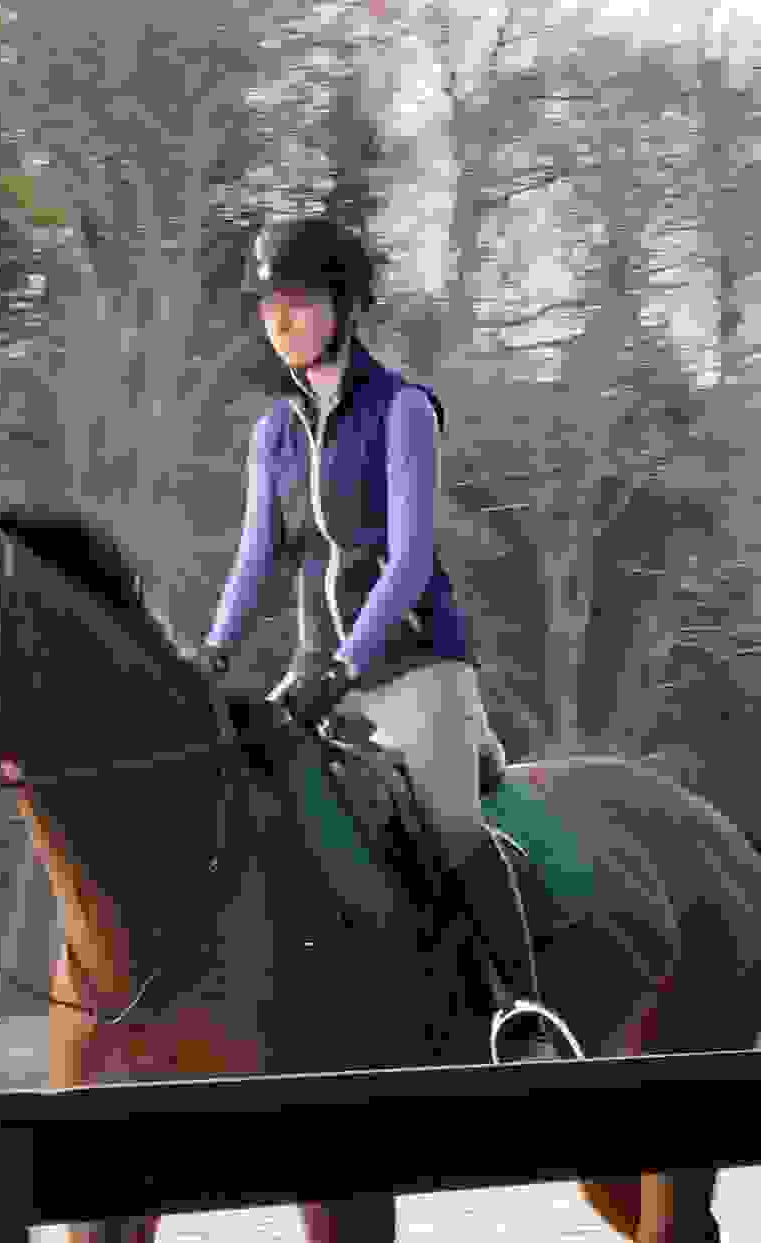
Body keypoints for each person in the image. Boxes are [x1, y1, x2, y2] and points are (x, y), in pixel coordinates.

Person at [200, 215, 527, 1007]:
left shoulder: (403, 411)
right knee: (236, 796)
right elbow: (255, 562)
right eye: (269, 304)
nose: (279, 320)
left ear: (344, 308)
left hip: (415, 665)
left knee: (451, 827)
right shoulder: (274, 432)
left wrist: (348, 669)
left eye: (299, 302)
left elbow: (410, 560)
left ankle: (522, 1006)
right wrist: (206, 658)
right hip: (316, 672)